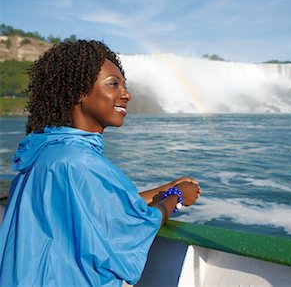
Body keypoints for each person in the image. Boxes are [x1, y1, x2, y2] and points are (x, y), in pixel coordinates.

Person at [0, 40, 201, 286]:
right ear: (79, 92)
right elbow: (129, 230)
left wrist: (164, 188)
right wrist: (176, 197)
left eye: (124, 85)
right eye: (113, 84)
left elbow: (100, 206)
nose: (127, 94)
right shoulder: (80, 161)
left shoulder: (48, 151)